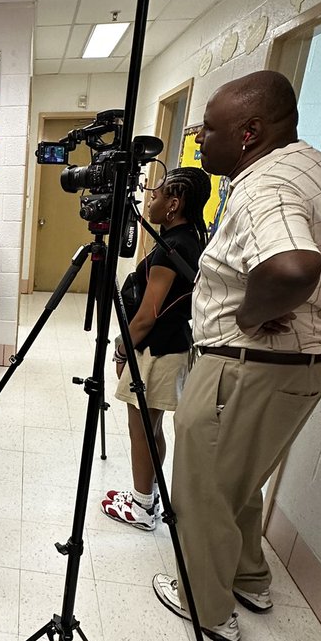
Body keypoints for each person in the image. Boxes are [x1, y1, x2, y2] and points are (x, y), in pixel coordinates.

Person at [151, 70, 321, 641]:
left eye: (207, 130)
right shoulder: (317, 166)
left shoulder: (264, 186)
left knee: (202, 487)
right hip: (299, 366)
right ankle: (248, 577)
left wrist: (246, 314)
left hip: (246, 364)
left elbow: (293, 266)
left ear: (250, 131)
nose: (198, 142)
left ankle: (206, 606)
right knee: (238, 479)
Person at [100, 166, 211, 530]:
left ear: (174, 203)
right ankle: (145, 494)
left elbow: (147, 315)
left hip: (156, 352)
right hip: (174, 345)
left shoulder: (171, 248)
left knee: (141, 430)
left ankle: (143, 507)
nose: (151, 200)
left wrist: (120, 348)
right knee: (153, 427)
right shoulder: (193, 237)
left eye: (158, 194)